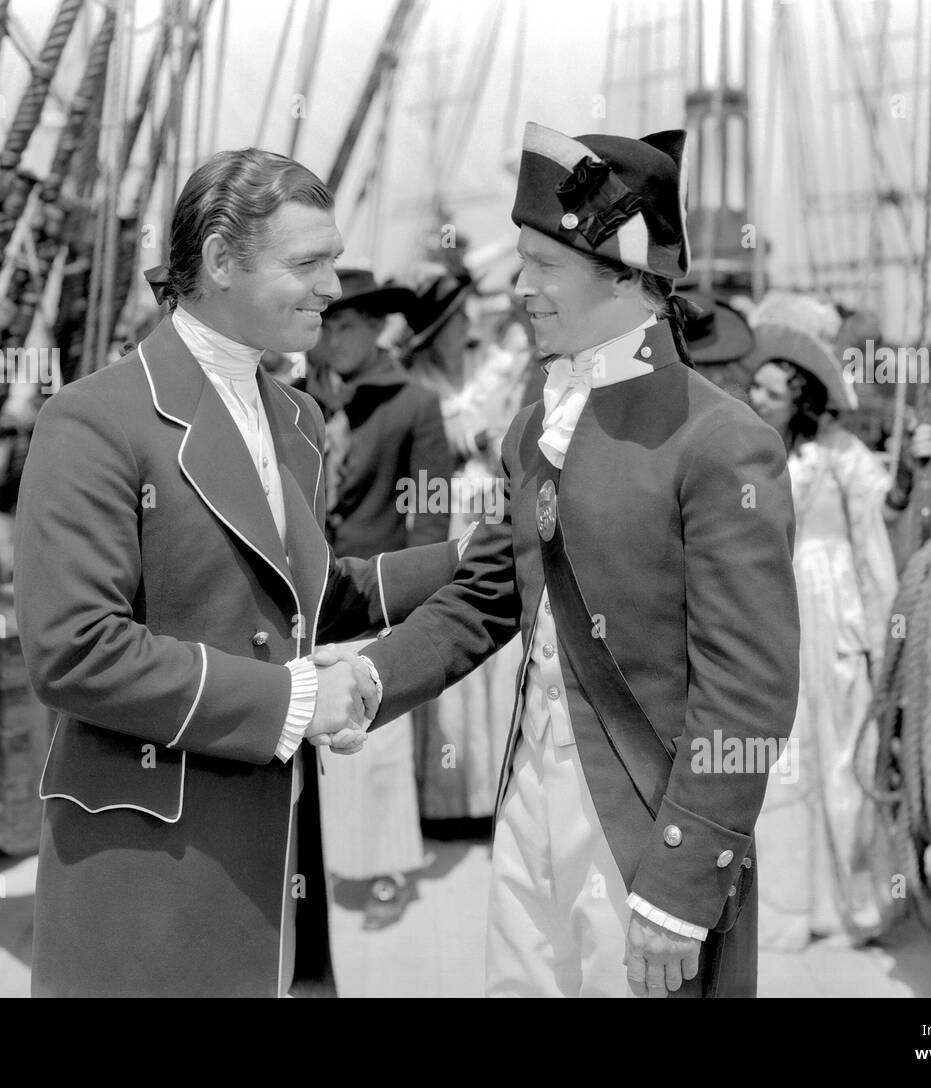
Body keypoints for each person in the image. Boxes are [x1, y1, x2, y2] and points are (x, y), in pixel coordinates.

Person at [339, 122, 800, 997]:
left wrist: (682, 882)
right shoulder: (536, 424)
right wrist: (368, 679)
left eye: (543, 267)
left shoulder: (722, 441)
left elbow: (750, 692)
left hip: (643, 831)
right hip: (528, 814)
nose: (521, 289)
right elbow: (487, 592)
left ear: (624, 274)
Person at [12, 149, 462, 997]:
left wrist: (469, 557)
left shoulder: (296, 416)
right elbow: (73, 651)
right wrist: (292, 698)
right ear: (220, 261)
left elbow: (309, 601)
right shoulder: (93, 420)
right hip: (150, 868)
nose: (332, 287)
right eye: (308, 263)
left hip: (270, 849)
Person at [745, 322, 931, 950]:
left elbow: (881, 511)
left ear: (800, 396)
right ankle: (791, 905)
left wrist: (903, 485)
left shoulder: (842, 451)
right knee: (783, 760)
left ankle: (860, 902)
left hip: (833, 610)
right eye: (754, 386)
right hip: (774, 612)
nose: (757, 397)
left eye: (770, 390)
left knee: (845, 752)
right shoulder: (752, 450)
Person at [309, 268, 455, 928]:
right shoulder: (299, 401)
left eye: (346, 326)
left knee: (374, 737)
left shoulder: (413, 405)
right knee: (314, 729)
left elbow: (429, 519)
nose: (333, 339)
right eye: (326, 325)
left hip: (376, 594)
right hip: (312, 593)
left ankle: (390, 868)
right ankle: (319, 863)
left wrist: (410, 609)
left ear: (374, 330)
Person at [402, 274, 529, 823]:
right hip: (446, 511)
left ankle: (491, 795)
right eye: (456, 319)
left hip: (493, 507)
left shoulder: (497, 369)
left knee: (494, 635)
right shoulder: (419, 383)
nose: (467, 324)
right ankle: (446, 799)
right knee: (451, 622)